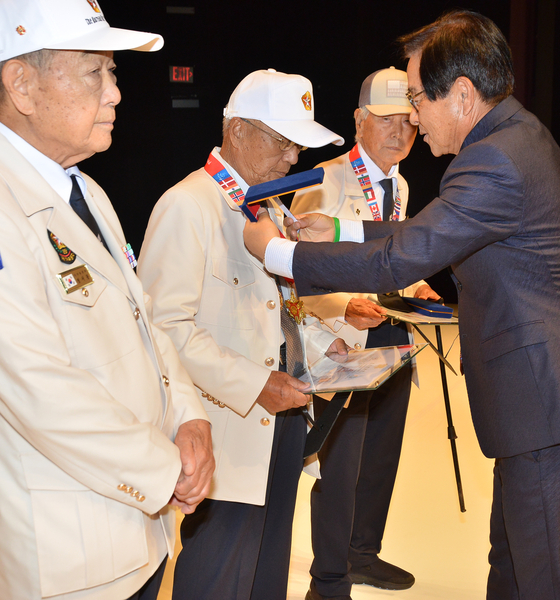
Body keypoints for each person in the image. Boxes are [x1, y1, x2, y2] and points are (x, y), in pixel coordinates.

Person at [243, 9, 560, 600]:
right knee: (515, 561)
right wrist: (334, 232)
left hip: (538, 402)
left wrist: (281, 253)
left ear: (461, 95)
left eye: (417, 98)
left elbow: (405, 256)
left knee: (537, 569)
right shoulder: (515, 138)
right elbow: (422, 232)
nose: (412, 117)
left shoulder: (493, 161)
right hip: (532, 403)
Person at [0, 2, 215, 600]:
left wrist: (190, 415)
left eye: (113, 74)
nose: (116, 94)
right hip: (67, 558)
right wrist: (164, 469)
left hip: (137, 535)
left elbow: (146, 321)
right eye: (96, 73)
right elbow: (37, 388)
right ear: (21, 84)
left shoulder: (87, 190)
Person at [137, 69, 347, 600]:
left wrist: (326, 348)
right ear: (237, 131)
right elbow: (165, 334)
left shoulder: (267, 206)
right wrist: (257, 383)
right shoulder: (188, 205)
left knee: (267, 574)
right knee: (219, 577)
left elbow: (278, 312)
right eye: (282, 141)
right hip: (225, 433)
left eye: (297, 144)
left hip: (282, 419)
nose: (292, 157)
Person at [291, 67, 440, 600]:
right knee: (342, 461)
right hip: (341, 341)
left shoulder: (399, 183)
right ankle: (327, 580)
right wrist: (341, 305)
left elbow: (387, 256)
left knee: (381, 454)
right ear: (359, 121)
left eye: (408, 122)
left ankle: (362, 554)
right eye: (386, 121)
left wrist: (418, 283)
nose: (400, 133)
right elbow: (293, 268)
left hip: (392, 334)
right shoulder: (322, 180)